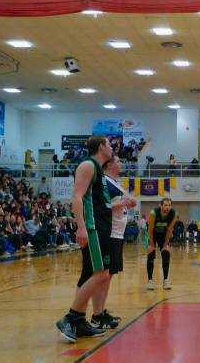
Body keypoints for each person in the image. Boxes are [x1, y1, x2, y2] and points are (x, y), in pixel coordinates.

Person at [56, 136, 122, 343]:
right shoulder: (87, 165)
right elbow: (77, 196)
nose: (112, 148)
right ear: (101, 146)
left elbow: (100, 203)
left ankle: (80, 322)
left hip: (102, 227)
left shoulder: (99, 169)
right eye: (109, 145)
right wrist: (81, 226)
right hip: (93, 228)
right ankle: (71, 317)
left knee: (90, 274)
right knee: (102, 274)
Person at [102, 157, 133, 329]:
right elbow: (103, 206)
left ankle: (101, 311)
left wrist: (128, 203)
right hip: (110, 233)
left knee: (110, 275)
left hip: (118, 234)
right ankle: (98, 314)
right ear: (109, 164)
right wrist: (124, 202)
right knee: (104, 276)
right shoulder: (105, 182)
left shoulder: (115, 183)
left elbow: (118, 205)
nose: (122, 164)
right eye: (119, 161)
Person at [146, 198, 178, 290]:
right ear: (160, 205)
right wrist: (152, 245)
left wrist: (165, 245)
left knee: (166, 253)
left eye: (169, 205)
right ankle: (150, 281)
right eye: (165, 205)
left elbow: (169, 230)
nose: (167, 207)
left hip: (164, 235)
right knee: (151, 254)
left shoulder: (173, 214)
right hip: (153, 235)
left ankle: (166, 280)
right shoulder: (153, 213)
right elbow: (150, 229)